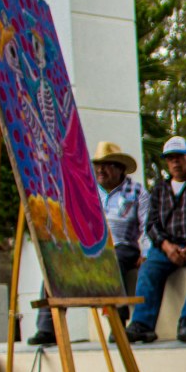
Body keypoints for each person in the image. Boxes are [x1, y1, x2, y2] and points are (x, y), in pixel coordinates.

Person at [28, 141, 148, 345]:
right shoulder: (87, 191)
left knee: (112, 260)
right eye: (97, 165)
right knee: (55, 265)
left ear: (120, 168)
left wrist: (146, 253)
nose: (100, 170)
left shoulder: (137, 191)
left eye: (107, 164)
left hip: (122, 246)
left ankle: (118, 326)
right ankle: (48, 328)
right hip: (90, 246)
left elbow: (147, 224)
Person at [126, 136, 186, 344]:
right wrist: (166, 246)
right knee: (148, 268)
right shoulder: (160, 188)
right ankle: (142, 324)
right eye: (171, 159)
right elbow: (151, 224)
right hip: (167, 246)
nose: (175, 163)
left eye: (180, 157)